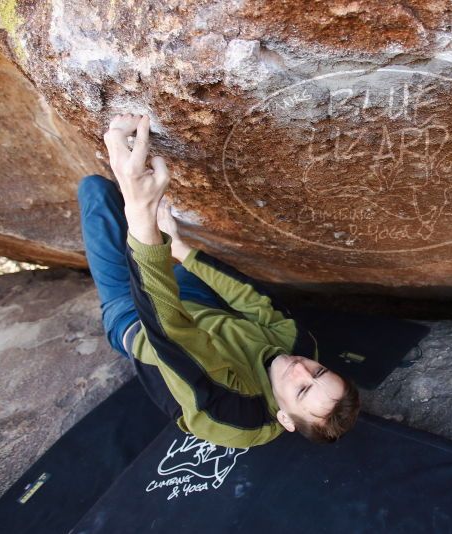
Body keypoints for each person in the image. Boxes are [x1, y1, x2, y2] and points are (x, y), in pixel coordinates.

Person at [77, 113, 360, 448]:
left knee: (96, 191)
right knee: (168, 257)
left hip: (139, 323)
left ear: (284, 418)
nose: (301, 369)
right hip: (200, 302)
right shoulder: (300, 346)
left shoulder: (235, 413)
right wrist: (182, 250)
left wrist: (141, 212)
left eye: (301, 390)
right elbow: (251, 298)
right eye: (318, 373)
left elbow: (171, 332)